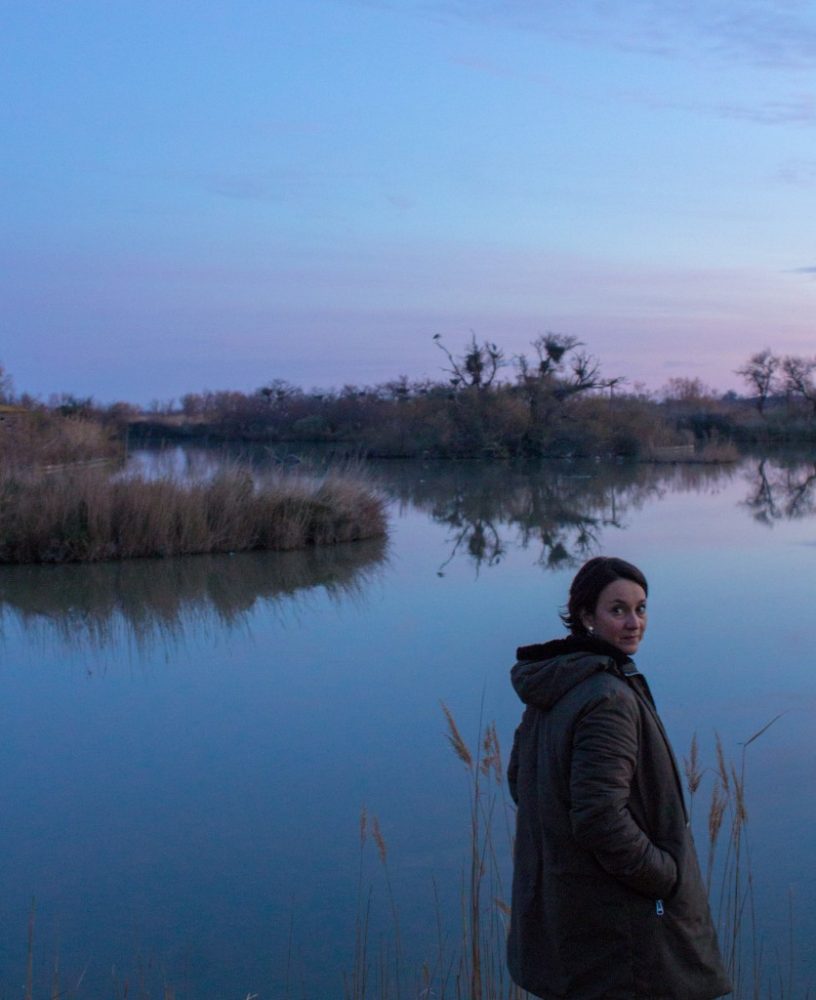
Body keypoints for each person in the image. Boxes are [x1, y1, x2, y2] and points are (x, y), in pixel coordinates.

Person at [506, 556, 731, 1000]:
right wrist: (664, 875)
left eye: (641, 608)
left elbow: (520, 781)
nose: (634, 623)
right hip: (617, 936)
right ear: (587, 616)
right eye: (618, 610)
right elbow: (598, 817)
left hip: (570, 921)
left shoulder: (557, 683)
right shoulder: (606, 696)